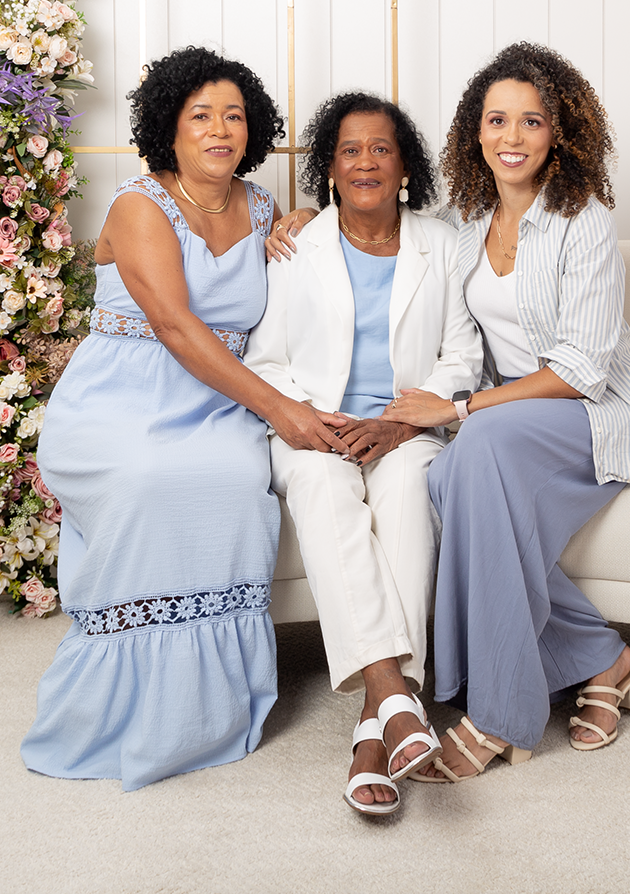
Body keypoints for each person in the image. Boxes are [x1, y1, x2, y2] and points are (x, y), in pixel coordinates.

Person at [22, 46, 348, 791]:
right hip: (121, 397)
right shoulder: (139, 206)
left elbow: (302, 290)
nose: (219, 130)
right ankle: (121, 713)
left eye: (234, 116)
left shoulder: (262, 209)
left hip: (219, 402)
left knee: (234, 481)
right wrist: (282, 410)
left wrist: (305, 224)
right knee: (146, 481)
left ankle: (205, 713)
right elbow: (173, 325)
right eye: (201, 115)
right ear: (169, 126)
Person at [382, 42, 630, 779]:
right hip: (510, 422)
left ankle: (501, 714)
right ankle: (605, 659)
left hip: (598, 411)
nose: (512, 137)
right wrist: (300, 219)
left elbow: (582, 369)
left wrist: (460, 407)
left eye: (532, 122)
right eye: (497, 120)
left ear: (559, 134)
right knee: (444, 480)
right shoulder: (465, 219)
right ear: (474, 132)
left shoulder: (585, 220)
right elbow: (389, 225)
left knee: (474, 447)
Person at [243, 92, 482, 815]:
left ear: (405, 166)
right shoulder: (295, 245)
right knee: (322, 490)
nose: (366, 162)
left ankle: (374, 734)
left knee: (407, 496)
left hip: (405, 428)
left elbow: (462, 358)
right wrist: (313, 421)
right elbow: (266, 359)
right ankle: (395, 697)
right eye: (350, 150)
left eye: (382, 148)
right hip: (315, 428)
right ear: (330, 166)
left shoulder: (443, 244)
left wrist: (399, 425)